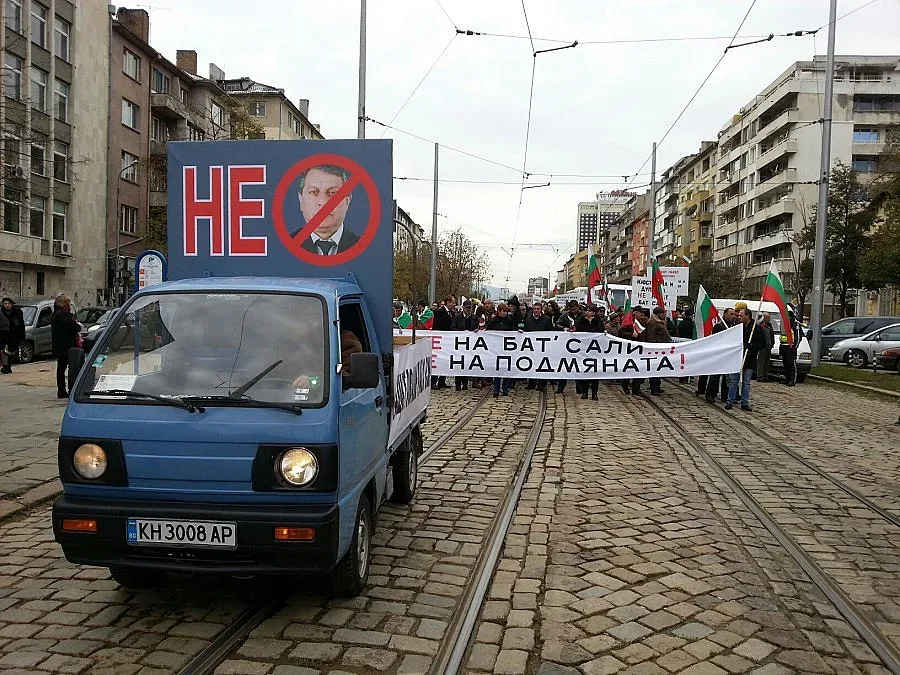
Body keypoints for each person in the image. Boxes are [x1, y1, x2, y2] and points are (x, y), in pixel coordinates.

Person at [296, 165, 362, 255]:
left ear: (347, 201)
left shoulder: (364, 246)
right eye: (314, 192)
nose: (323, 202)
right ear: (301, 200)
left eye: (332, 193)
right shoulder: (283, 247)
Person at [726, 308, 766, 411]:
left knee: (746, 383)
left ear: (748, 316)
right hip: (737, 358)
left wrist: (751, 346)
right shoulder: (738, 327)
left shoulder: (756, 329)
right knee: (733, 381)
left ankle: (744, 402)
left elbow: (762, 344)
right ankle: (730, 401)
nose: (739, 317)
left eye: (741, 315)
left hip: (749, 359)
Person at [703, 307, 736, 404]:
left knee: (727, 378)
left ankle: (725, 396)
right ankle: (710, 394)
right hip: (718, 355)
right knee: (715, 376)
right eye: (731, 314)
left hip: (728, 356)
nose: (732, 316)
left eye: (733, 314)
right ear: (725, 314)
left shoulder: (734, 326)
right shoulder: (718, 326)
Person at [51, 294, 80, 398]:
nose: (69, 306)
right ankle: (70, 389)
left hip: (59, 346)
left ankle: (62, 390)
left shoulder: (55, 315)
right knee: (72, 368)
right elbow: (75, 328)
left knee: (61, 369)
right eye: (68, 304)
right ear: (64, 305)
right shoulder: (63, 315)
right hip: (67, 346)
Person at [486, 303, 516, 397]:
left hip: (507, 349)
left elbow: (514, 331)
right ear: (499, 311)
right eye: (504, 311)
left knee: (506, 369)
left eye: (506, 312)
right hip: (496, 349)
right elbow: (488, 332)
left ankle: (505, 388)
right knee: (497, 369)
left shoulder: (509, 321)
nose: (505, 313)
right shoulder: (493, 321)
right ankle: (496, 389)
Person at [641, 307, 672, 396]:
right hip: (656, 348)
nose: (664, 315)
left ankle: (657, 386)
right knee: (654, 369)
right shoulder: (652, 322)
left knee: (659, 369)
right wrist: (653, 347)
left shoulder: (659, 321)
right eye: (663, 313)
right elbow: (651, 336)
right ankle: (654, 388)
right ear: (659, 313)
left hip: (662, 347)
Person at [524, 303, 554, 391]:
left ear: (541, 310)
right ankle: (531, 383)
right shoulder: (528, 319)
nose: (536, 310)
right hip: (531, 346)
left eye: (538, 309)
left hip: (543, 347)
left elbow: (551, 332)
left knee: (542, 365)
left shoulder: (547, 319)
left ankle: (541, 384)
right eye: (534, 309)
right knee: (532, 364)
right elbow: (525, 330)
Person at [576, 305, 603, 400]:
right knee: (585, 371)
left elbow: (600, 331)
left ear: (594, 312)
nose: (587, 312)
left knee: (595, 372)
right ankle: (584, 391)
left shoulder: (598, 320)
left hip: (595, 350)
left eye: (589, 310)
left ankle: (594, 392)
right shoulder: (581, 320)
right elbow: (578, 330)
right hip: (584, 348)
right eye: (586, 310)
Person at [451, 300, 479, 390]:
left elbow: (477, 328)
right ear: (463, 308)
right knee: (459, 363)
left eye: (469, 308)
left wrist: (475, 331)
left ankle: (465, 383)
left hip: (470, 344)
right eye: (467, 308)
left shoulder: (474, 318)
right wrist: (461, 332)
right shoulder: (457, 317)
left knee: (467, 363)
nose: (468, 309)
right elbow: (452, 328)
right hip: (459, 344)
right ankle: (458, 383)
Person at [1, 297, 25, 374]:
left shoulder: (18, 312)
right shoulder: (1, 312)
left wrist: (22, 338)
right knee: (2, 350)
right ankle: (5, 366)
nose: (7, 305)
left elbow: (21, 326)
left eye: (9, 304)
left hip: (14, 335)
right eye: (5, 304)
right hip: (2, 334)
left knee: (12, 352)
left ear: (12, 304)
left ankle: (8, 366)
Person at [780, 309, 800, 387]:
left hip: (790, 347)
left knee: (791, 363)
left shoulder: (795, 324)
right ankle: (787, 378)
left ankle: (792, 380)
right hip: (783, 345)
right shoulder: (784, 323)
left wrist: (795, 347)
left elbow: (798, 336)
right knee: (785, 363)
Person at [756, 311, 775, 382]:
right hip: (762, 347)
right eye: (767, 317)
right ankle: (760, 376)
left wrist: (772, 343)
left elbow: (771, 335)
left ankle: (765, 376)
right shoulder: (761, 325)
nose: (769, 318)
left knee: (767, 363)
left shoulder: (769, 325)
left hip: (769, 347)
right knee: (761, 362)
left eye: (769, 317)